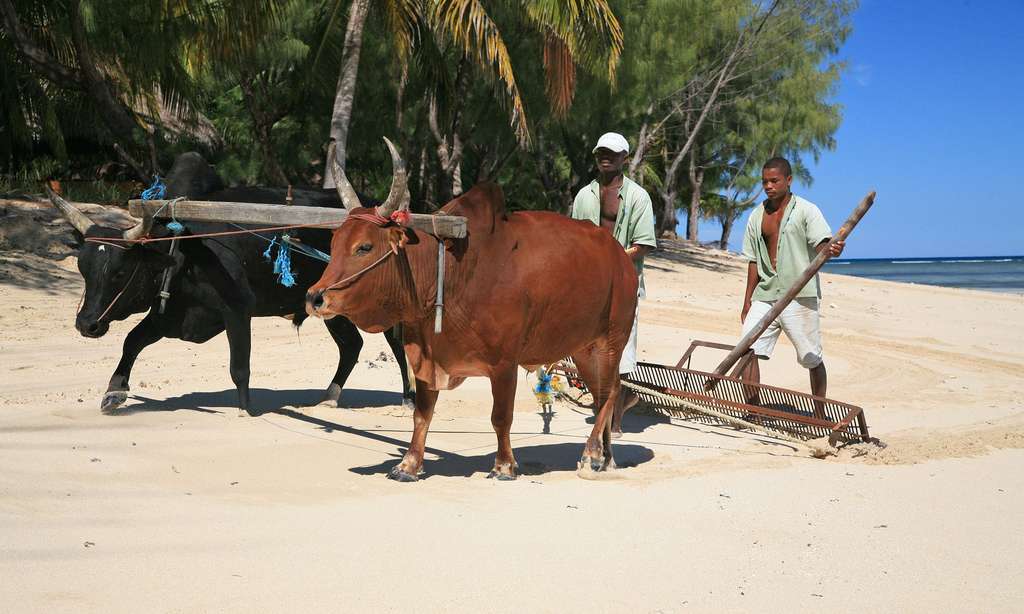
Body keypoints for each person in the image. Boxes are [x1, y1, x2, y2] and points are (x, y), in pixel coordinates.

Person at [740, 157, 844, 412]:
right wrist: (747, 301)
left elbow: (822, 243)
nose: (768, 186)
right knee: (747, 351)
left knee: (811, 357)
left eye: (774, 181)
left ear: (788, 180)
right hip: (765, 294)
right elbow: (753, 261)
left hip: (799, 294)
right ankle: (753, 412)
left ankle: (819, 412)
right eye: (764, 181)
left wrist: (831, 249)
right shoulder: (756, 216)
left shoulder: (807, 210)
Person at [570, 132, 657, 437]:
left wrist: (612, 260)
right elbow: (574, 241)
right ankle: (613, 406)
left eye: (612, 153)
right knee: (590, 350)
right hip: (588, 287)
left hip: (623, 286)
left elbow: (643, 244)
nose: (605, 157)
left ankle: (615, 421)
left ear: (624, 158)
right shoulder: (584, 196)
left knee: (618, 353)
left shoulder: (638, 197)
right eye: (601, 152)